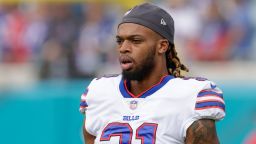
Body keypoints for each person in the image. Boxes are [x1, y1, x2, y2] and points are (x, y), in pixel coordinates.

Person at [79, 3, 225, 144]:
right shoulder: (99, 92)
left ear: (162, 46)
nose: (123, 48)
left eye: (135, 41)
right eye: (120, 41)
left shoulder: (191, 97)